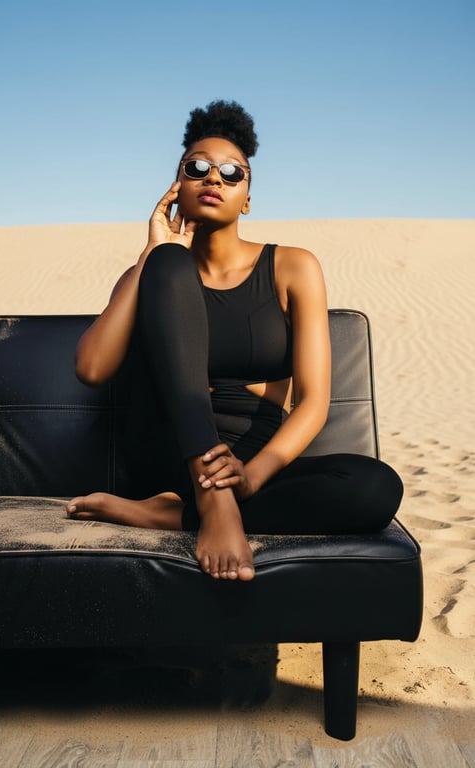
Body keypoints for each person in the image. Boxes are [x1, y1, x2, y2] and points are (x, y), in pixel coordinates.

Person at [66, 100, 403, 582]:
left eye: (231, 173)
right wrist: (150, 254)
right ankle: (211, 503)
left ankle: (171, 515)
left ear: (247, 197)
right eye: (197, 168)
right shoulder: (151, 270)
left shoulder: (293, 267)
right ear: (176, 186)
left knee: (375, 487)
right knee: (171, 263)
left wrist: (252, 475)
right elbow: (92, 369)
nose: (214, 179)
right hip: (171, 448)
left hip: (252, 455)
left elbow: (313, 402)